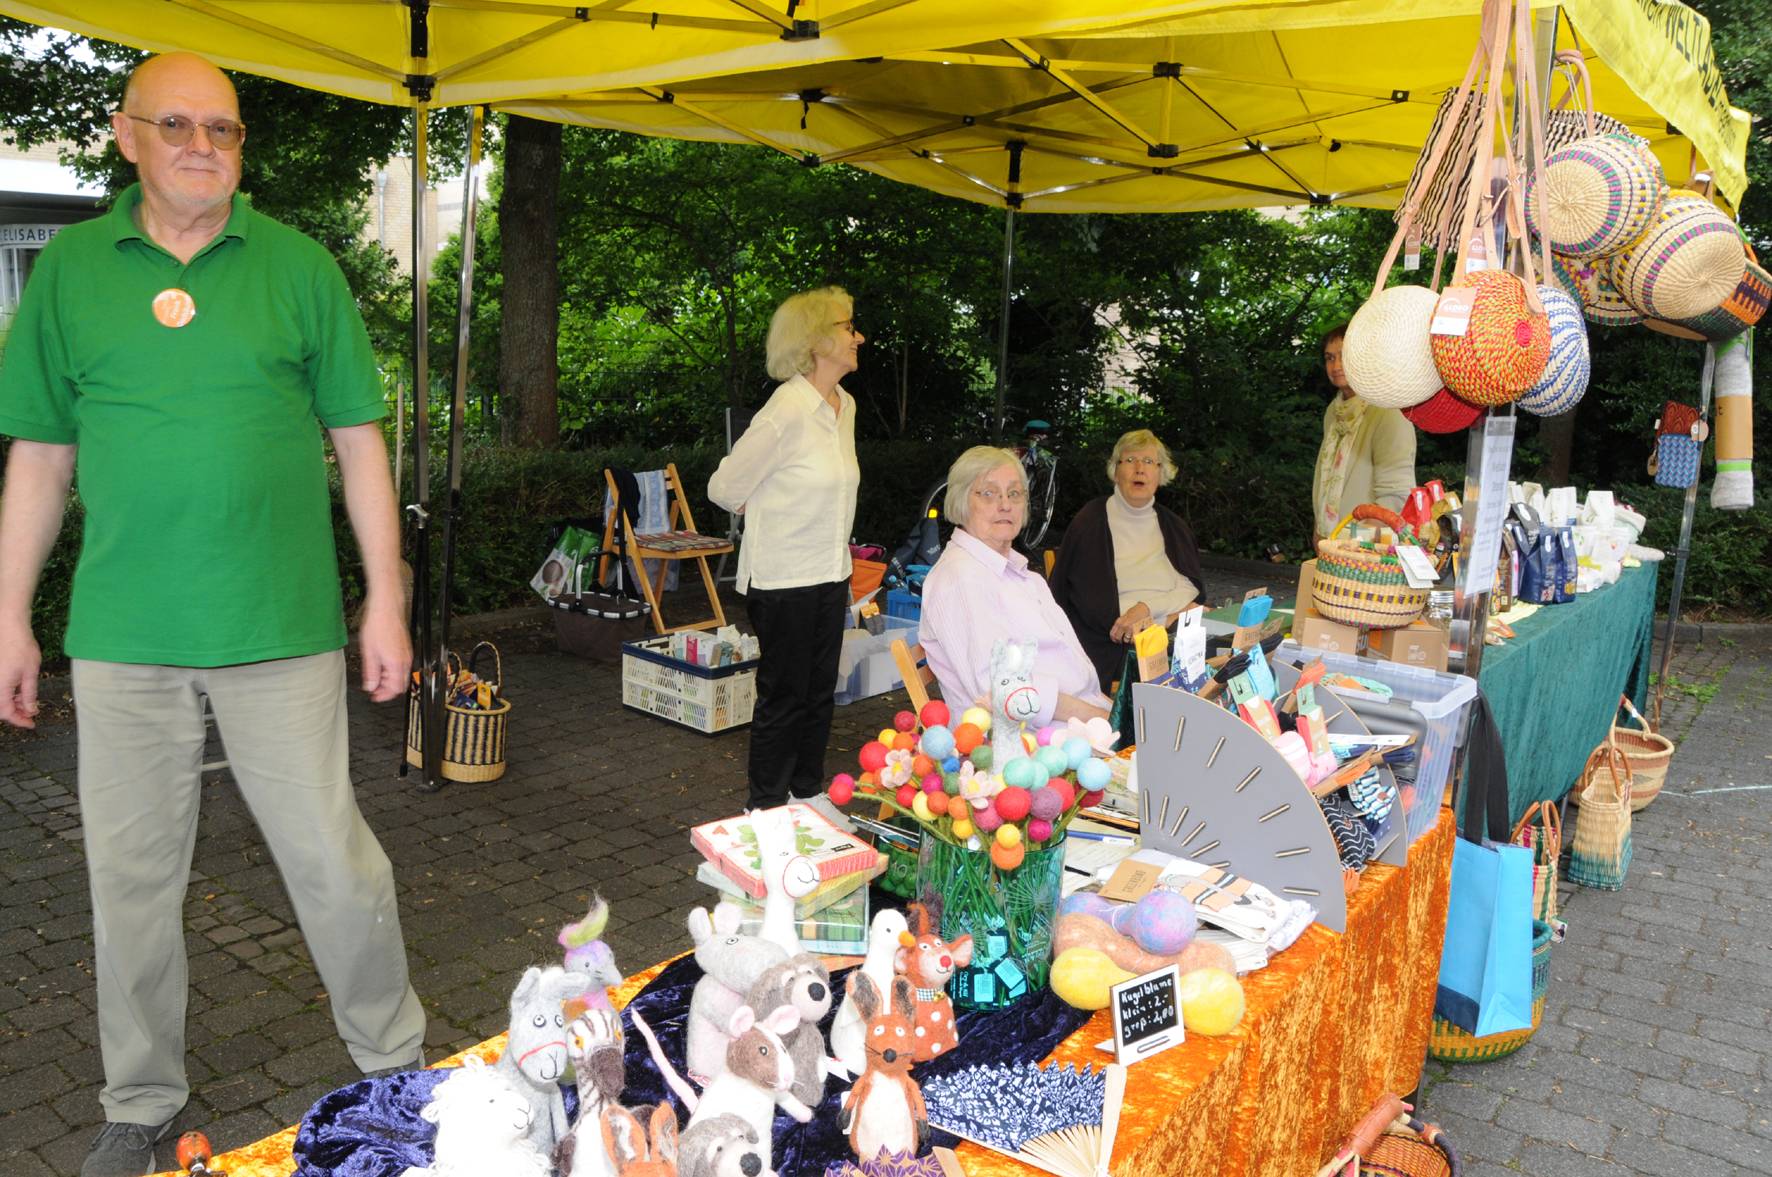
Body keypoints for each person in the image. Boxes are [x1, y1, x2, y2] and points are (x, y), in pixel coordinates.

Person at [0, 54, 424, 1177]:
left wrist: (386, 598)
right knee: (129, 883)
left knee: (333, 863)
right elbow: (39, 458)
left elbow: (360, 445)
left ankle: (395, 1065)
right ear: (125, 134)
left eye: (223, 129)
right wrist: (8, 618)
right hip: (123, 636)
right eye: (177, 124)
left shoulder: (298, 266)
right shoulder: (70, 271)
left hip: (279, 627)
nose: (202, 145)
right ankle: (140, 1101)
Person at [709, 287, 863, 810]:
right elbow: (724, 486)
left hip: (831, 572)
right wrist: (759, 501)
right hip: (783, 580)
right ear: (815, 339)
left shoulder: (845, 407)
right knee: (785, 697)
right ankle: (765, 806)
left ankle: (807, 793)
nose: (858, 336)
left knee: (820, 693)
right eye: (847, 327)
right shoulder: (787, 409)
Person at [919, 446, 1110, 727]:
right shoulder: (961, 579)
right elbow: (1001, 688)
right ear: (961, 502)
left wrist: (1110, 712)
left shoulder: (1018, 574)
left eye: (1014, 493)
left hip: (1079, 723)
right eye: (988, 493)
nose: (1005, 505)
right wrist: (1102, 717)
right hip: (1031, 740)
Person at [1050, 429, 1206, 692]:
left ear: (1160, 472)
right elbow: (1091, 606)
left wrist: (1147, 610)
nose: (1139, 469)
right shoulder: (1091, 521)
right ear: (1116, 470)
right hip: (1110, 646)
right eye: (1130, 460)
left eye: (1149, 461)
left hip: (1166, 635)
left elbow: (1190, 588)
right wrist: (1164, 619)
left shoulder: (1173, 526)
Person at [1314, 323, 1417, 539]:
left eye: (1344, 356)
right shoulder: (1333, 411)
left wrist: (1358, 543)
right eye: (1330, 358)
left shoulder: (1389, 411)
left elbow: (1396, 494)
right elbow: (1326, 478)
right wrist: (1319, 530)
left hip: (1363, 549)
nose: (1336, 366)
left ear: (1364, 358)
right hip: (1330, 541)